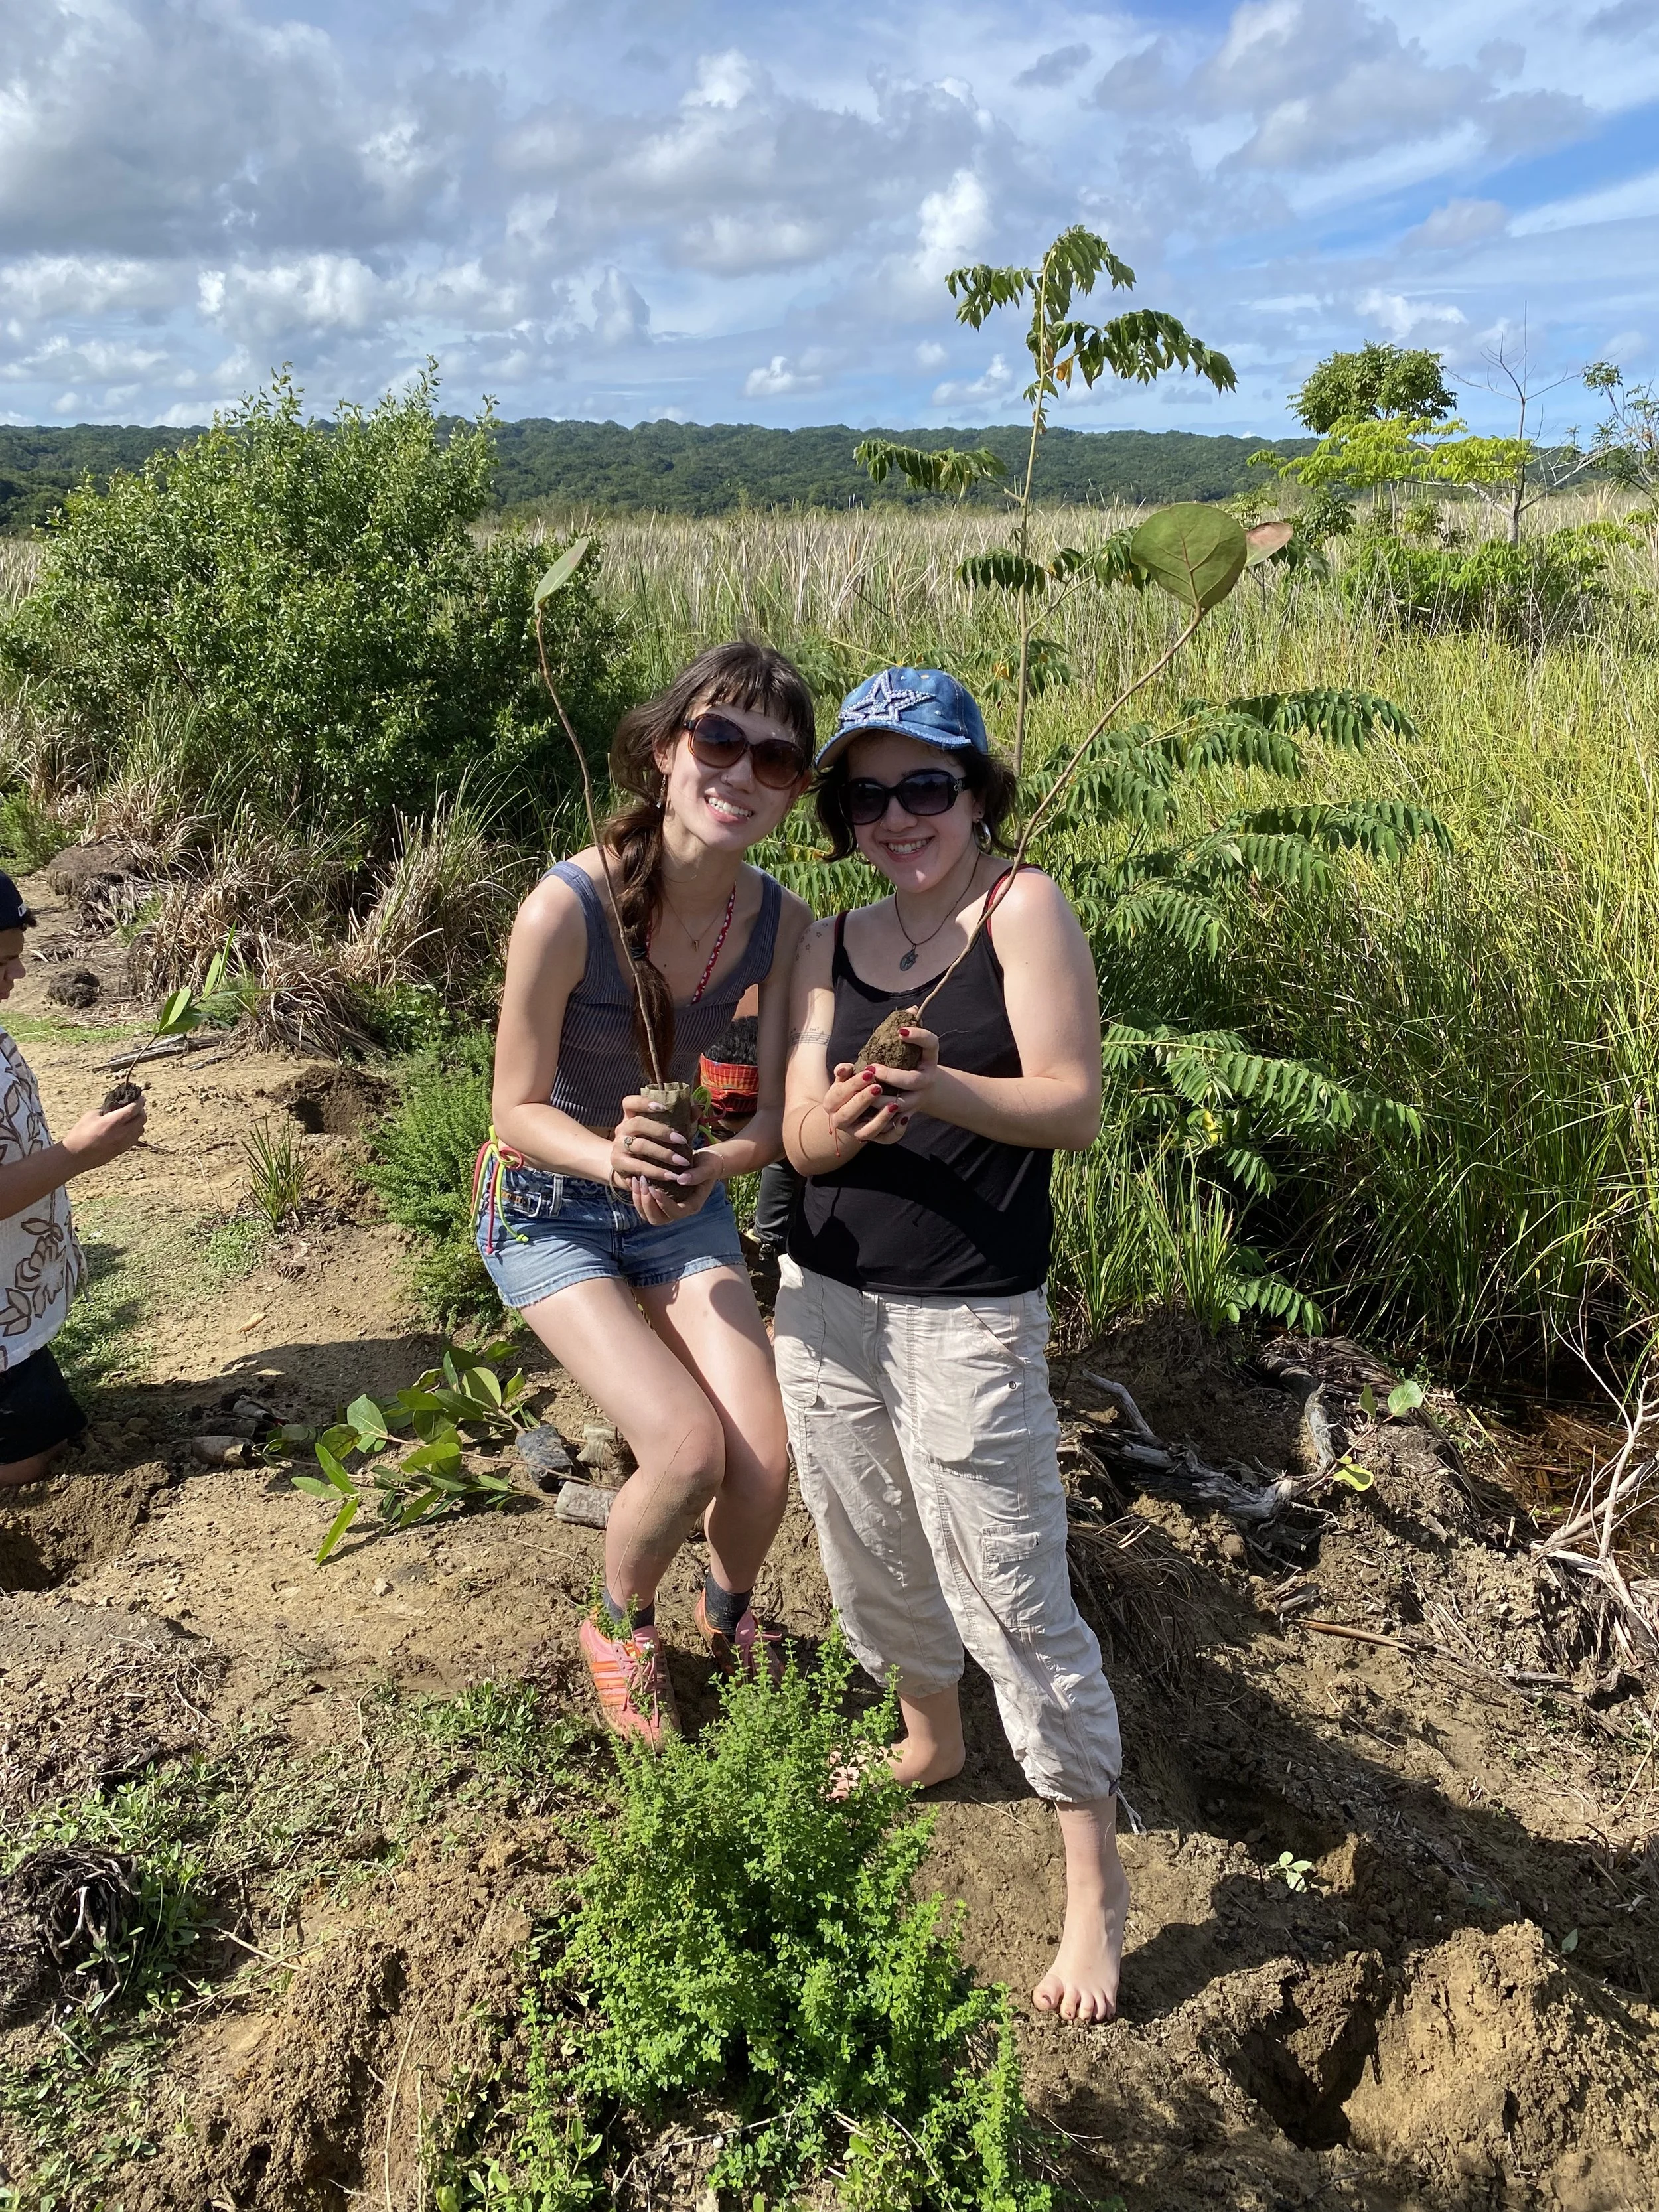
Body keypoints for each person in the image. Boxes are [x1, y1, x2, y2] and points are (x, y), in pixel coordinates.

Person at [776, 666, 1129, 2024]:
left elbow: (1072, 1106)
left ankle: (1090, 1876)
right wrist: (848, 1113)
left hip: (966, 1309)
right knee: (864, 1537)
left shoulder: (1020, 907)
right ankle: (929, 1737)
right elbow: (800, 1137)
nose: (898, 815)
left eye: (927, 784)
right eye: (869, 795)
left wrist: (944, 1089)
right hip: (825, 1294)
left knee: (1008, 1581)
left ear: (976, 794)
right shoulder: (825, 942)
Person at [478, 642, 814, 1744]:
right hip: (548, 1197)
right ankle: (620, 1624)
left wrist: (709, 1164)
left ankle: (725, 1603)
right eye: (719, 739)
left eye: (775, 758)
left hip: (682, 1190)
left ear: (794, 791)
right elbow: (516, 1106)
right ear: (666, 752)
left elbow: (768, 1120)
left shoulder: (781, 922)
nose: (740, 771)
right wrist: (606, 1157)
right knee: (683, 1449)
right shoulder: (563, 908)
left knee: (761, 1457)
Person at [0, 870, 147, 1487]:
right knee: (32, 1467)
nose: (20, 974)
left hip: (11, 1301)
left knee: (50, 1436)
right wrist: (76, 1153)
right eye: (4, 960)